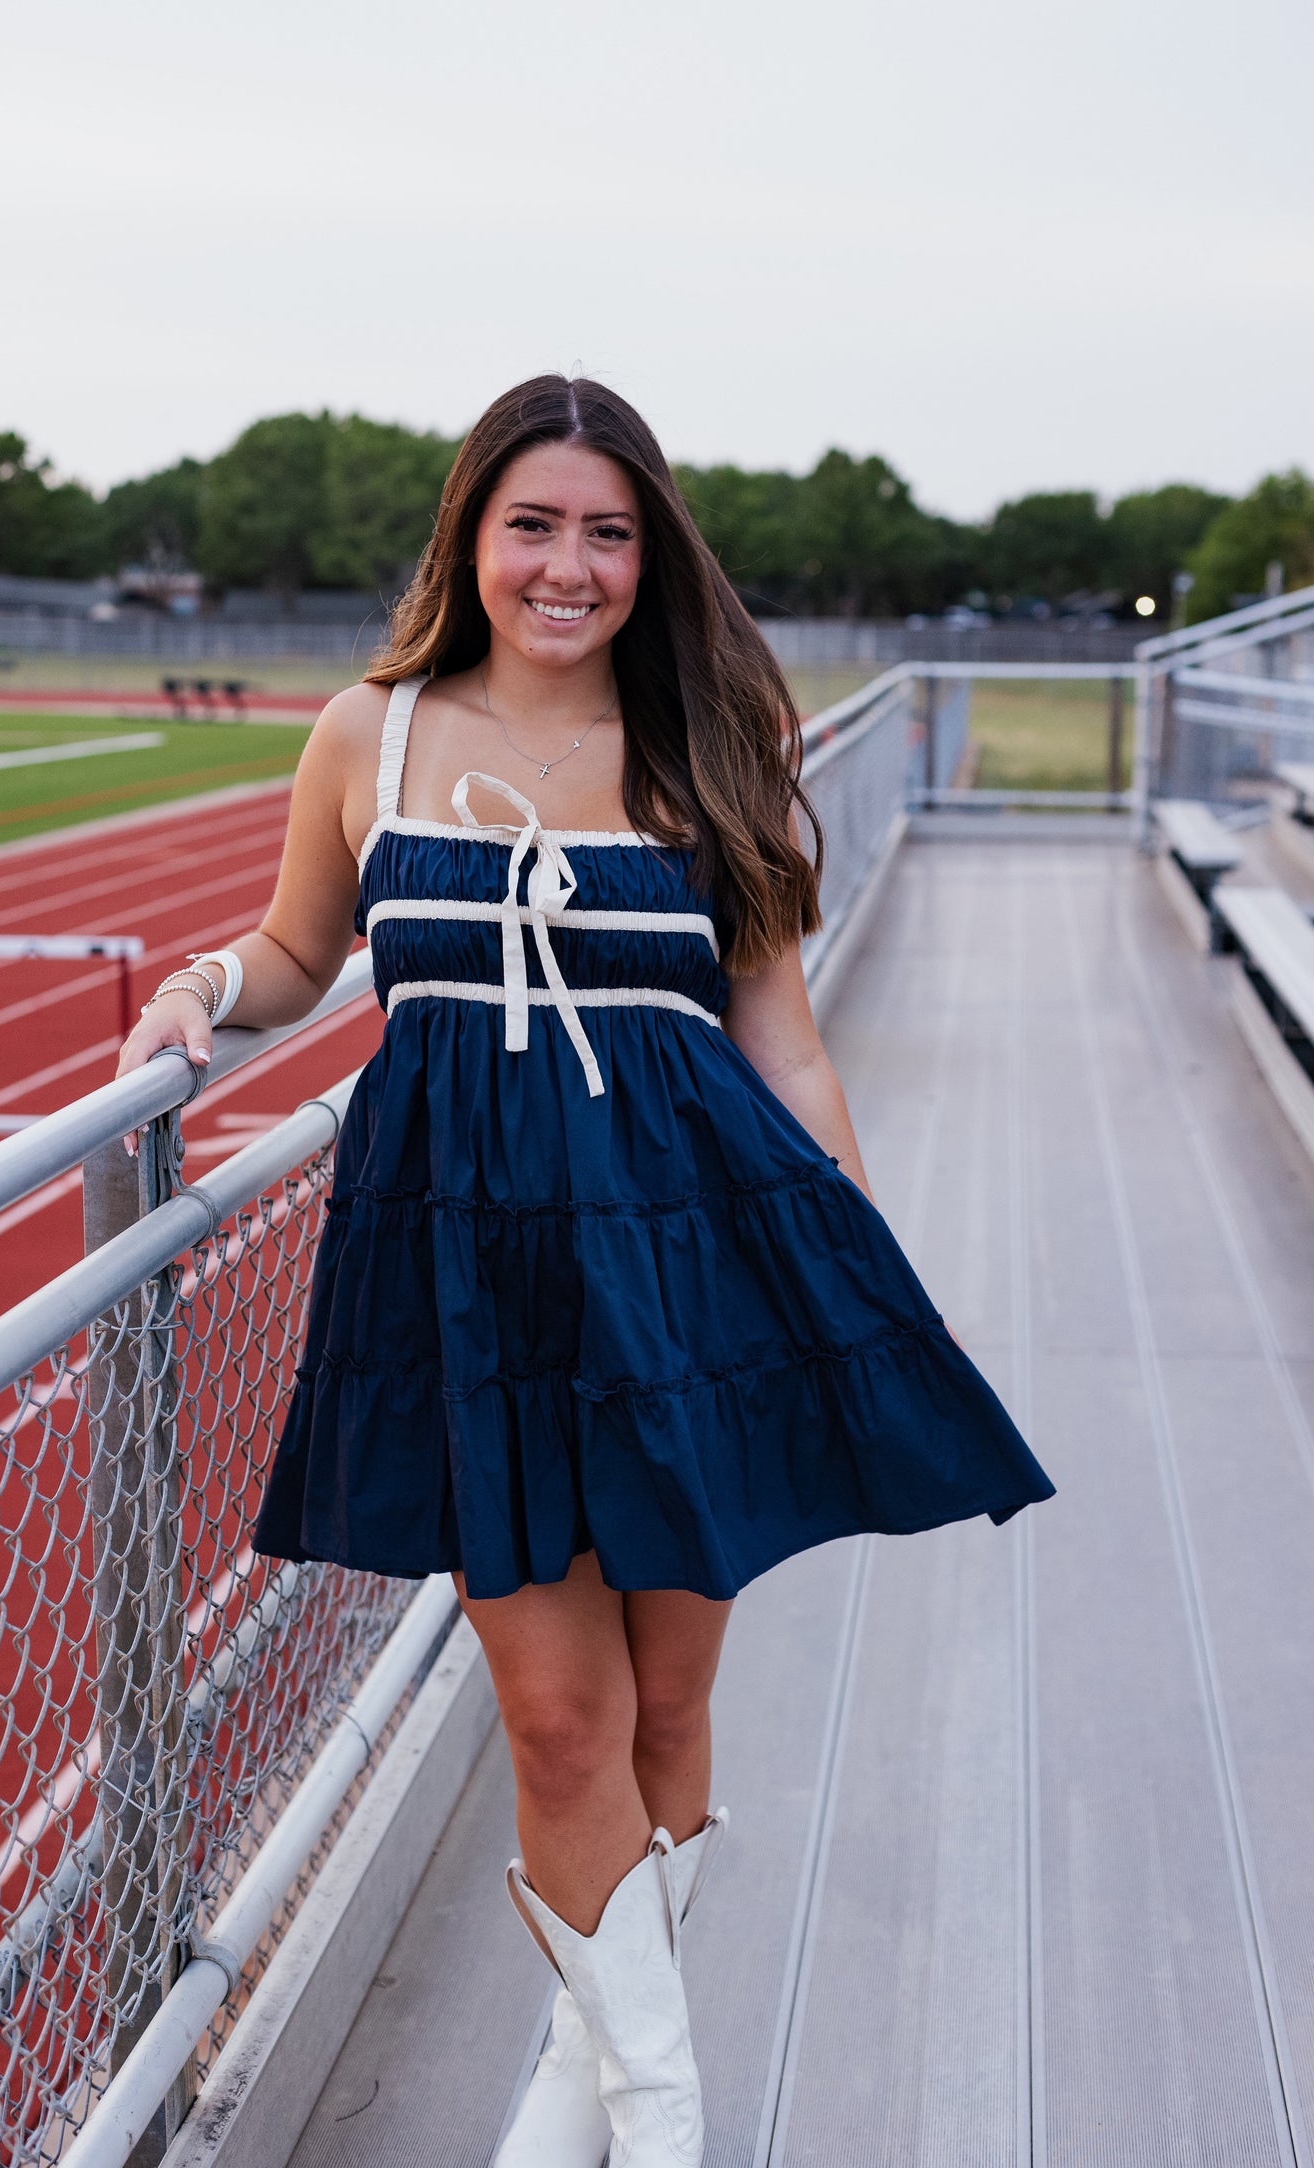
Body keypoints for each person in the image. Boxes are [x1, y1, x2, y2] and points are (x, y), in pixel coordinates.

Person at [118, 374, 1054, 2167]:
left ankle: (573, 2101)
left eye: (606, 531)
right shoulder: (368, 735)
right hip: (464, 1271)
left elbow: (778, 1041)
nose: (569, 565)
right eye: (533, 525)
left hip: (688, 1265)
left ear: (650, 551)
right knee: (558, 1715)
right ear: (472, 535)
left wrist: (852, 1281)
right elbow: (297, 949)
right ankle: (669, 2112)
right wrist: (198, 1001)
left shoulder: (719, 740)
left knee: (671, 1701)